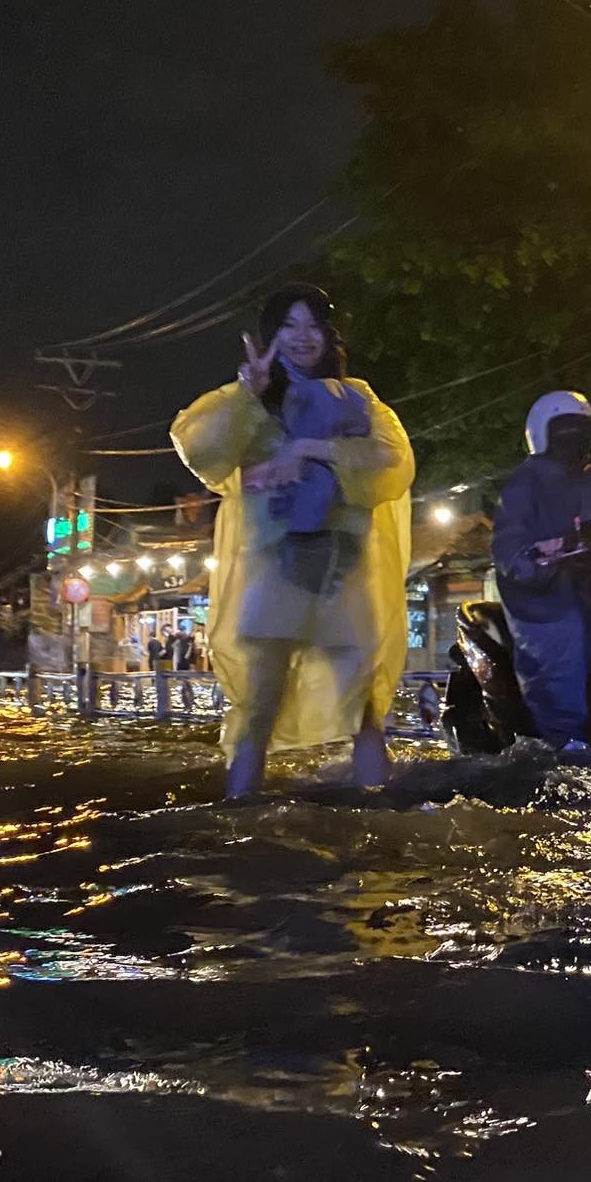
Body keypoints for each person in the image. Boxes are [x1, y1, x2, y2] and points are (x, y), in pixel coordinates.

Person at [171, 283, 414, 797]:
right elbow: (202, 450)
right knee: (260, 705)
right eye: (291, 326)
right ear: (271, 335)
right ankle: (239, 811)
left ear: (329, 335)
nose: (304, 337)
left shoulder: (359, 398)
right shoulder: (250, 401)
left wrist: (307, 448)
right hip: (273, 570)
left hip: (344, 570)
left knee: (365, 706)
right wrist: (247, 391)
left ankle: (381, 812)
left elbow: (392, 463)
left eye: (314, 326)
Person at [490, 391, 591, 747]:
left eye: (581, 428)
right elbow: (510, 552)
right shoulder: (526, 483)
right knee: (564, 684)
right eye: (564, 428)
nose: (574, 437)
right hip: (547, 605)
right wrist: (540, 555)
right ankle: (563, 750)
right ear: (543, 433)